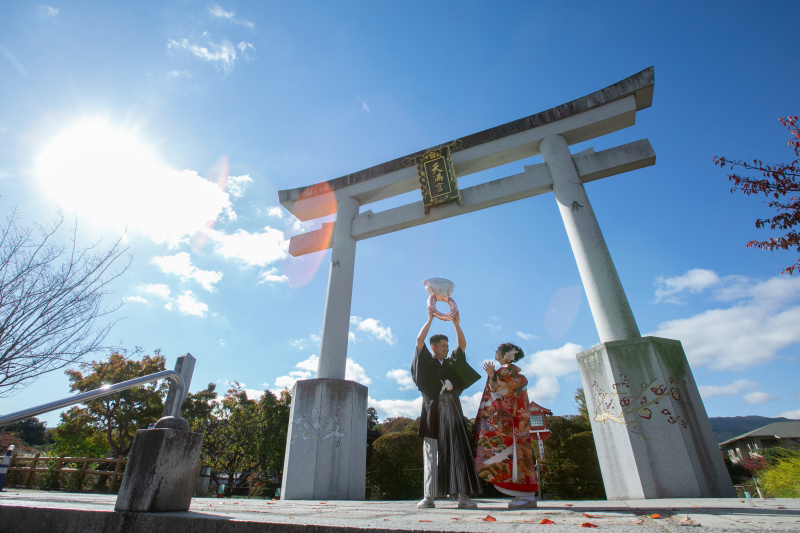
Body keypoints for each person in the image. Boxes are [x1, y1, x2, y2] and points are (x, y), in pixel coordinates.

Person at [411, 306, 482, 509]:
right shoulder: (426, 361)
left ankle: (462, 497)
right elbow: (419, 341)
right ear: (433, 347)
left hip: (452, 409)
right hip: (433, 411)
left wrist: (456, 324)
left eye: (447, 345)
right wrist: (430, 319)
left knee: (458, 451)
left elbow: (462, 345)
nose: (446, 347)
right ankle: (429, 497)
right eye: (443, 345)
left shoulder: (450, 363)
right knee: (432, 453)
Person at [474, 342, 539, 509]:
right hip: (518, 419)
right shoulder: (512, 372)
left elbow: (500, 390)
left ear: (506, 354)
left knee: (515, 455)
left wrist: (491, 376)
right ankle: (525, 494)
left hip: (510, 420)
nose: (496, 353)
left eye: (498, 351)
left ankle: (525, 495)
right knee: (521, 454)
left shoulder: (506, 370)